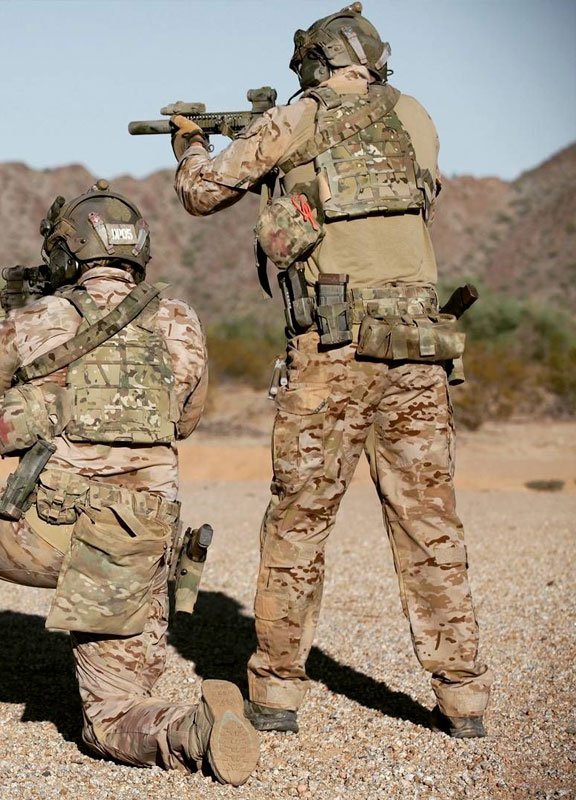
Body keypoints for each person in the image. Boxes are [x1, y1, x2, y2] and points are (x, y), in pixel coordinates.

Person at [170, 3, 492, 738]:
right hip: (419, 350)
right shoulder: (415, 115)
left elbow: (201, 193)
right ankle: (464, 699)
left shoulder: (299, 118)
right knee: (430, 525)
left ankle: (276, 693)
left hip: (334, 350)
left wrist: (191, 143)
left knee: (298, 523)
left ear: (313, 64)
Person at [0, 181, 260, 785]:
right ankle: (194, 730)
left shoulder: (42, 317)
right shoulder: (182, 321)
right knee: (112, 720)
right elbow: (185, 421)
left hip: (48, 531)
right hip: (134, 548)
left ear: (66, 251)